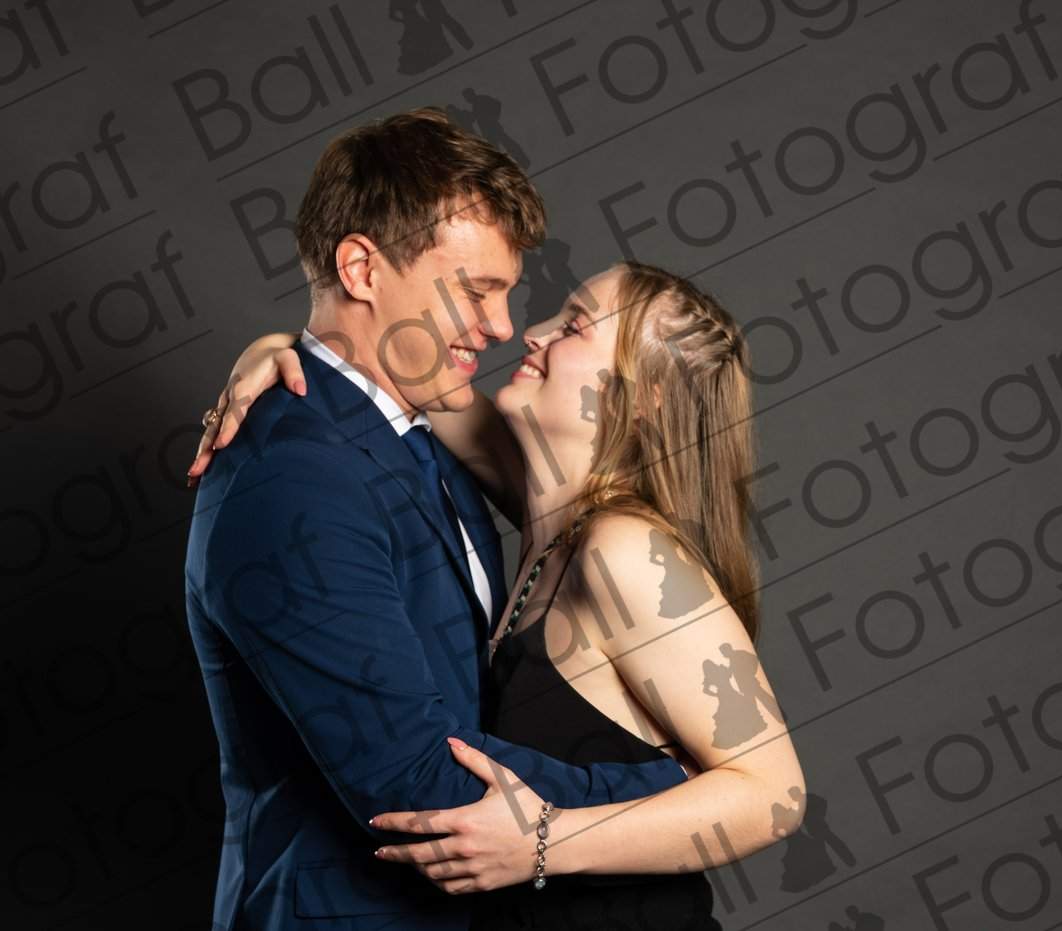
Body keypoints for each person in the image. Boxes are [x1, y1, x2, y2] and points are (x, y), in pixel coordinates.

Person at [182, 108, 699, 931]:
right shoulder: (292, 477)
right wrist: (668, 792)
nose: (502, 327)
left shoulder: (419, 434)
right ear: (361, 268)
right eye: (475, 290)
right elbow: (415, 780)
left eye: (507, 293)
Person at [193, 258, 807, 928]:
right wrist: (276, 349)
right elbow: (380, 362)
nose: (532, 331)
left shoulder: (627, 551)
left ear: (646, 395)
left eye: (574, 326)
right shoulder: (548, 509)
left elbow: (773, 794)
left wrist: (545, 841)